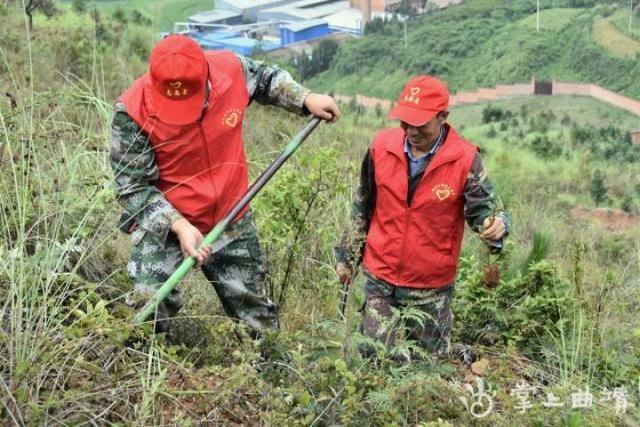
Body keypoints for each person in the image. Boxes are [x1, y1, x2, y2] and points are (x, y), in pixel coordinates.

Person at [110, 35, 340, 336]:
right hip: (168, 221)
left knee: (257, 317)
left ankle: (272, 374)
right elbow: (132, 187)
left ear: (206, 75)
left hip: (231, 214)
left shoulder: (230, 70)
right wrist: (178, 225)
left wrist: (305, 98)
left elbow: (266, 80)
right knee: (150, 306)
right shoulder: (132, 111)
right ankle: (146, 369)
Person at [335, 75, 508, 362]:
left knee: (427, 368)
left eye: (420, 124)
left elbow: (485, 212)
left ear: (443, 117)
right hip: (381, 275)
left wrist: (497, 226)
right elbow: (362, 205)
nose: (411, 131)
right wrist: (347, 255)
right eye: (405, 122)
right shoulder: (381, 146)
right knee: (374, 359)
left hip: (430, 285)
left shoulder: (465, 159)